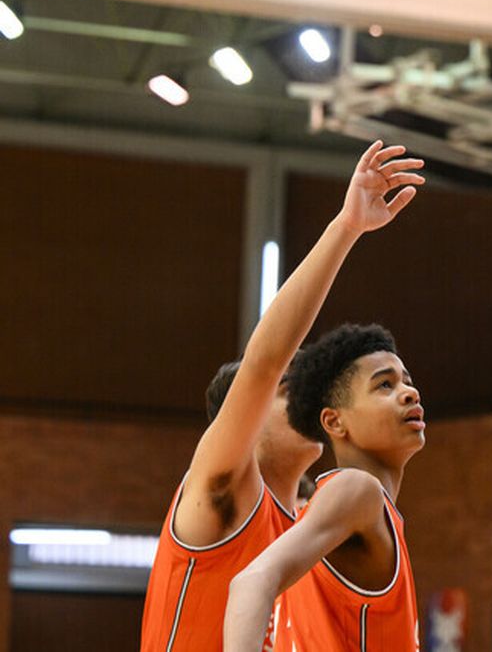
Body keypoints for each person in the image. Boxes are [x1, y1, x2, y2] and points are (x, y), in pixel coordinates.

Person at [140, 142, 424, 651]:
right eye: (286, 392)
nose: (304, 402)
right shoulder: (220, 491)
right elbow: (264, 362)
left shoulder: (311, 526)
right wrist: (347, 227)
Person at [223, 324, 426, 651]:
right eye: (384, 385)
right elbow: (251, 581)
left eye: (407, 381)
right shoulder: (355, 489)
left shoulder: (354, 509)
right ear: (334, 422)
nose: (409, 392)